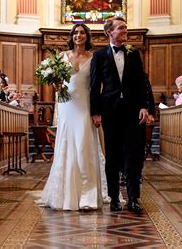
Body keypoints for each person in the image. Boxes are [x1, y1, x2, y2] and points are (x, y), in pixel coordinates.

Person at [38, 23, 109, 211]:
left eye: (82, 32)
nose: (79, 35)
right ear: (72, 36)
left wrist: (97, 111)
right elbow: (56, 81)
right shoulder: (61, 57)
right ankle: (66, 195)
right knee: (66, 145)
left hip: (85, 104)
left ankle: (88, 195)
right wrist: (55, 84)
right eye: (76, 33)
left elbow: (97, 86)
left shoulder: (94, 58)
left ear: (87, 36)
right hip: (67, 104)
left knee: (85, 146)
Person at [90, 16, 148, 214]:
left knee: (132, 156)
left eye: (126, 27)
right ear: (110, 32)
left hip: (132, 112)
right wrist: (95, 112)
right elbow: (94, 85)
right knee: (112, 156)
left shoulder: (134, 53)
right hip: (110, 112)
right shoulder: (99, 56)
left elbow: (142, 82)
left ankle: (133, 198)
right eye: (121, 28)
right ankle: (114, 198)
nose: (125, 30)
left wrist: (144, 106)